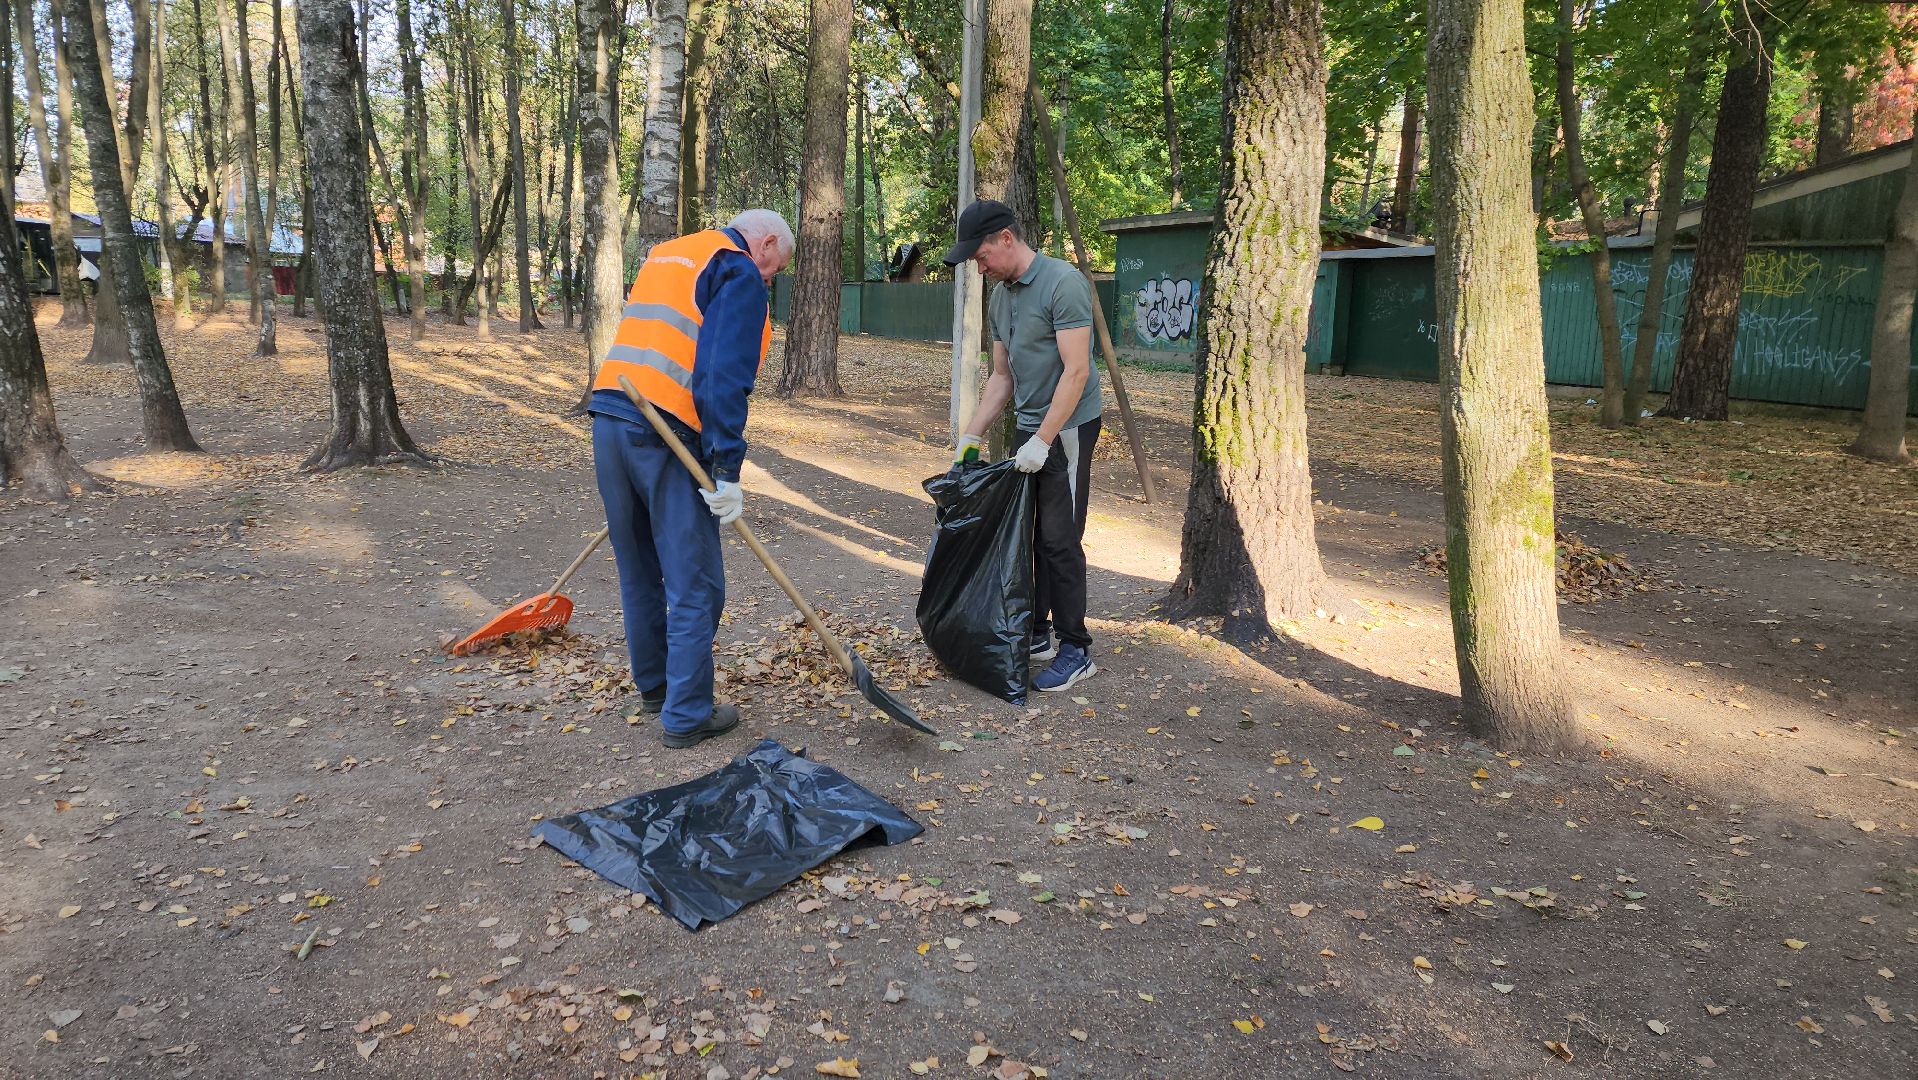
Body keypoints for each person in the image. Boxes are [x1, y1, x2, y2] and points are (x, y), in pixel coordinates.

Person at [588, 209, 794, 748]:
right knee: (695, 583)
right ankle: (685, 714)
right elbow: (721, 375)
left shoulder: (670, 254)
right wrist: (726, 469)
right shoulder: (736, 269)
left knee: (639, 572)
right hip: (665, 435)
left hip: (610, 419)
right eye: (775, 268)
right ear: (766, 244)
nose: (769, 278)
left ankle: (657, 689)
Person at [945, 199, 1102, 692]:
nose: (980, 267)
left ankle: (1076, 648)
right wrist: (971, 436)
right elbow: (1001, 377)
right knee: (1024, 534)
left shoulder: (1062, 284)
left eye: (982, 256)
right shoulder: (1001, 297)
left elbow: (1076, 372)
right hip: (1030, 428)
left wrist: (1044, 440)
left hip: (1068, 428)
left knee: (1059, 538)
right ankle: (1037, 631)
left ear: (1007, 239)